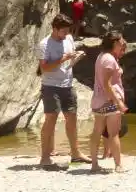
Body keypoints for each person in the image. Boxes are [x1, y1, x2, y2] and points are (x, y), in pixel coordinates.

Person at [37, 13, 90, 169]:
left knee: (72, 119)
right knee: (50, 120)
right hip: (50, 86)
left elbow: (69, 61)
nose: (66, 34)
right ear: (54, 28)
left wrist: (76, 57)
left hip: (68, 84)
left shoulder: (69, 38)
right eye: (63, 31)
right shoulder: (44, 44)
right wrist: (64, 58)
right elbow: (44, 68)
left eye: (68, 31)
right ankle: (45, 157)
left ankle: (76, 153)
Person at [89, 31, 128, 173]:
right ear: (114, 43)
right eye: (121, 41)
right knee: (113, 134)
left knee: (97, 132)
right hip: (110, 101)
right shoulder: (110, 60)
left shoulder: (101, 57)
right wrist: (119, 102)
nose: (123, 42)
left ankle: (94, 164)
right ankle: (118, 165)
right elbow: (107, 84)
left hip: (98, 100)